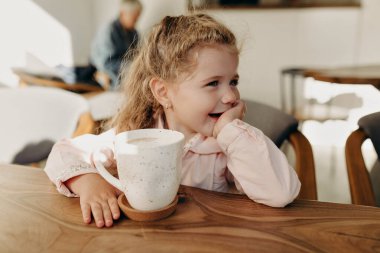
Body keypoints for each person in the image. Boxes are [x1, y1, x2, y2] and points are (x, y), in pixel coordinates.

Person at [44, 13, 301, 228]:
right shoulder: (136, 134)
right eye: (213, 83)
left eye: (233, 81)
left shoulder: (225, 145)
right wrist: (89, 182)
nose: (231, 95)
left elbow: (280, 192)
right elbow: (65, 152)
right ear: (163, 92)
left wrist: (230, 133)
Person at [90, 0, 142, 89]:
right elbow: (106, 62)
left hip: (123, 68)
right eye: (134, 18)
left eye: (137, 18)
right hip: (103, 68)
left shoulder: (134, 33)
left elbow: (134, 56)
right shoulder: (109, 30)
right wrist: (132, 66)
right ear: (122, 14)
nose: (136, 21)